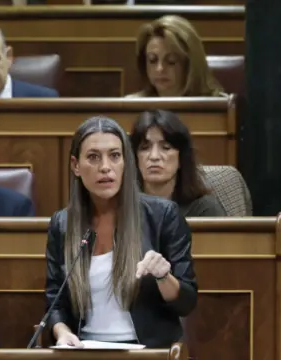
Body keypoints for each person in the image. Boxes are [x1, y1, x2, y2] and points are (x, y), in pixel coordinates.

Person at [45, 116, 197, 349]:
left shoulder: (163, 215)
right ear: (76, 165)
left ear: (126, 162)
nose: (105, 167)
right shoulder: (62, 224)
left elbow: (186, 303)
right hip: (84, 351)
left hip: (148, 352)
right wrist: (62, 332)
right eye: (93, 157)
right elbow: (55, 302)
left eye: (114, 156)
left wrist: (163, 277)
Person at [130, 110, 226, 217]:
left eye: (166, 148)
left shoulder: (204, 209)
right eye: (145, 148)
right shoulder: (123, 207)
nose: (154, 156)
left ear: (181, 157)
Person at [127, 15, 225, 97]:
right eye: (152, 60)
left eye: (171, 61)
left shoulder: (218, 107)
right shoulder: (130, 105)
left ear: (190, 64)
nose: (160, 68)